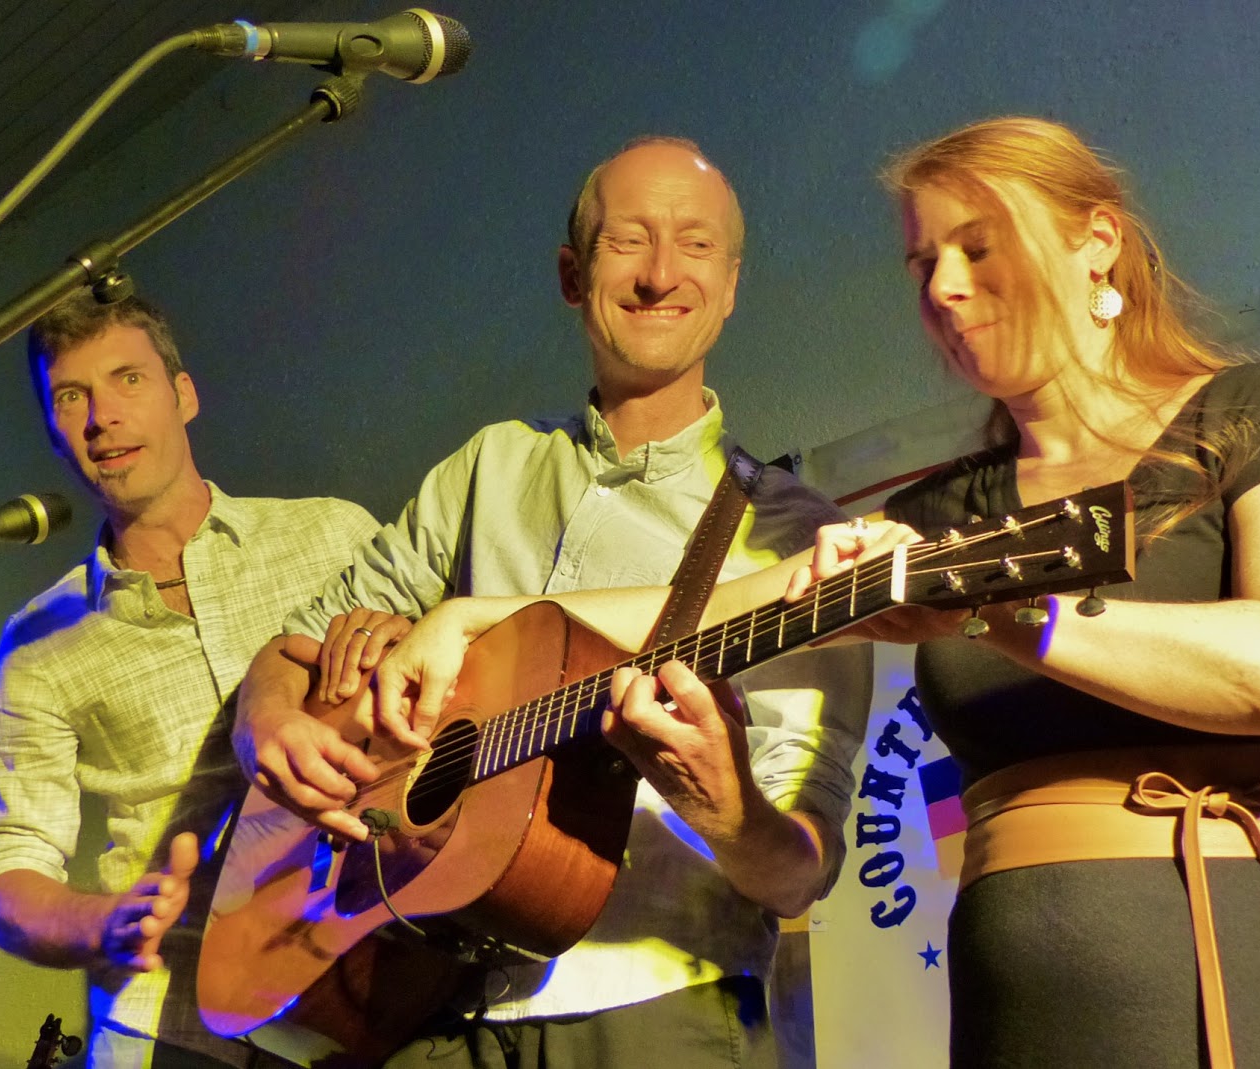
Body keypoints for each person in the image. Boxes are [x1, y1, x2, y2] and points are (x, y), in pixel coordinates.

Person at [782, 117, 1260, 1067]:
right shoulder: (934, 516)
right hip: (1024, 1006)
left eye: (978, 247)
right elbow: (722, 611)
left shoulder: (1257, 412)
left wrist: (996, 610)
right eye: (923, 265)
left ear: (1099, 243)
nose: (944, 287)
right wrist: (536, 628)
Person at [232, 136, 872, 1068]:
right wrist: (267, 721)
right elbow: (296, 646)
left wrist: (729, 812)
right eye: (628, 241)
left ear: (731, 285)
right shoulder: (488, 465)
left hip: (653, 1009)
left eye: (696, 245)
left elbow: (799, 872)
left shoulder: (799, 541)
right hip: (425, 996)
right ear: (573, 275)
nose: (659, 273)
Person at [0, 293, 388, 1068]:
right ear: (55, 432)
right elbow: (8, 866)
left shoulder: (336, 534)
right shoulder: (39, 642)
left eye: (128, 379)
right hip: (167, 1022)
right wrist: (106, 922)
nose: (102, 416)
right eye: (71, 396)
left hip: (360, 994)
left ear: (184, 395)